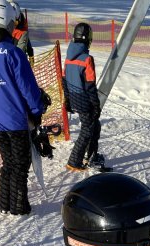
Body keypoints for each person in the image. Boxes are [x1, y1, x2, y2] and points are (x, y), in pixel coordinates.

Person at [0, 0, 45, 215]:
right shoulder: (14, 53)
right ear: (7, 22)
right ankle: (19, 208)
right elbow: (28, 88)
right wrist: (36, 110)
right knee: (20, 165)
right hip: (15, 121)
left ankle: (5, 205)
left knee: (8, 163)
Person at [63, 22, 104, 172]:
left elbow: (64, 81)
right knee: (87, 130)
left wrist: (67, 100)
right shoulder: (87, 59)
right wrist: (96, 106)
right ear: (88, 39)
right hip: (84, 100)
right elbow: (90, 86)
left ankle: (90, 155)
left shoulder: (68, 58)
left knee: (94, 126)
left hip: (74, 97)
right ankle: (75, 161)